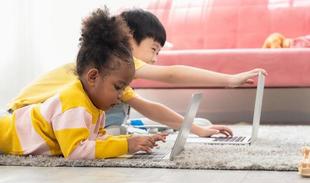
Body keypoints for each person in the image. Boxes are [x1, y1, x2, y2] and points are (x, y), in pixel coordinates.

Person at [8, 9, 266, 137]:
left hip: (35, 117)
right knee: (118, 111)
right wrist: (230, 80)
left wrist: (197, 130)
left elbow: (148, 106)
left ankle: (119, 131)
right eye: (153, 49)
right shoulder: (117, 58)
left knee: (121, 105)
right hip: (25, 118)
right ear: (130, 38)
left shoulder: (113, 75)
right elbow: (173, 75)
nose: (154, 59)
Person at [0, 8, 167, 159]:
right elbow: (76, 151)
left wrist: (133, 140)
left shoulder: (97, 108)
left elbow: (97, 140)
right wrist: (126, 145)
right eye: (118, 87)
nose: (121, 94)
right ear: (93, 77)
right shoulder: (73, 102)